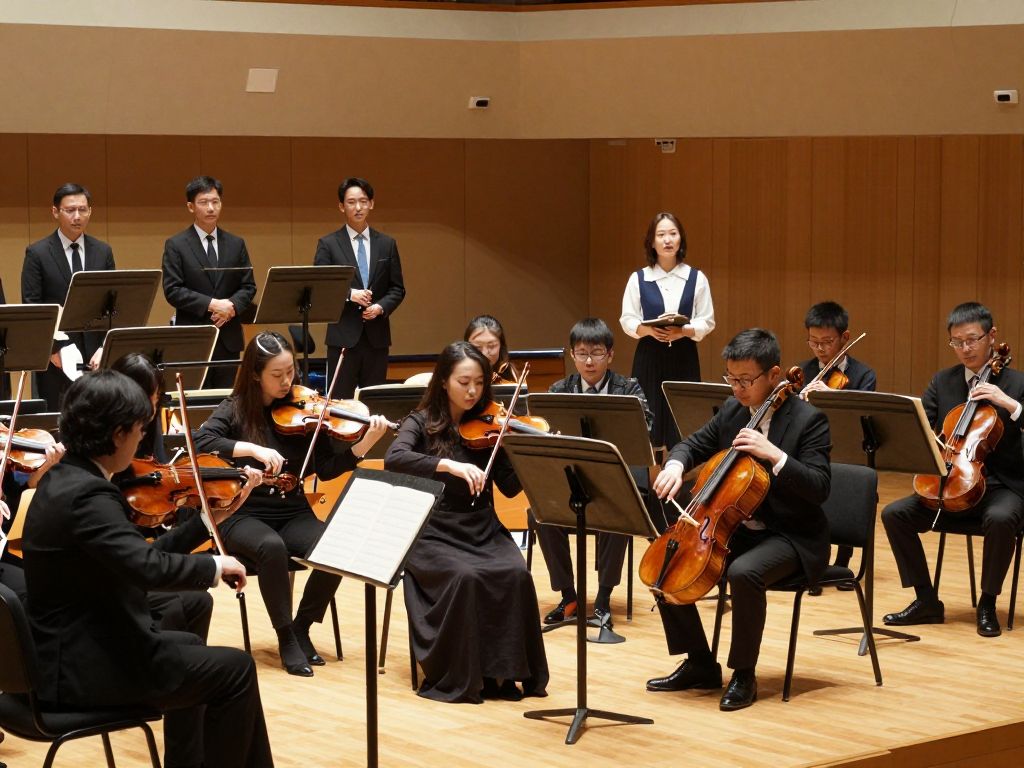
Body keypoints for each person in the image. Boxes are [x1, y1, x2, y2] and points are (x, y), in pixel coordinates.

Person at [22, 369, 274, 767]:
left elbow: (137, 554)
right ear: (118, 433)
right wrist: (212, 565)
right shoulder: (89, 495)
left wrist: (210, 522)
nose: (143, 438)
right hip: (86, 669)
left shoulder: (65, 480)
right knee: (236, 670)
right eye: (140, 429)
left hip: (73, 650)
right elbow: (145, 566)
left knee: (193, 649)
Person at [646, 329, 830, 711]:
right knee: (668, 558)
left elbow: (819, 486)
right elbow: (693, 443)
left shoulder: (809, 421)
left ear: (774, 374)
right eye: (731, 378)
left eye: (745, 380)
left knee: (743, 573)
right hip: (737, 529)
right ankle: (699, 661)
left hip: (792, 536)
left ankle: (744, 673)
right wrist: (676, 464)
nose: (737, 389)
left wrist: (775, 455)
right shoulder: (732, 411)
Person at [195, 331, 388, 675]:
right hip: (242, 512)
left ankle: (302, 626)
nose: (287, 382)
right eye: (277, 375)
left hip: (292, 509)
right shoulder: (237, 408)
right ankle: (285, 637)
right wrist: (251, 449)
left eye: (291, 373)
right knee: (272, 547)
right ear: (255, 374)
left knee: (338, 544)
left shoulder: (305, 409)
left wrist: (365, 444)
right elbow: (202, 438)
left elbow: (327, 469)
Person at [384, 341, 549, 703]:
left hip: (482, 528)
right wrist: (448, 464)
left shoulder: (490, 426)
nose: (473, 391)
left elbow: (507, 487)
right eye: (464, 382)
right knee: (466, 577)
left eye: (479, 383)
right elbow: (395, 459)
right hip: (432, 532)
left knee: (516, 574)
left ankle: (502, 674)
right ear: (444, 381)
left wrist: (520, 452)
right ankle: (464, 672)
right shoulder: (420, 422)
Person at [882, 302, 1024, 638]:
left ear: (991, 337)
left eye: (972, 340)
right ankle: (926, 599)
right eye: (957, 342)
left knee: (1002, 519)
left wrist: (1009, 404)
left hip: (1002, 486)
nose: (965, 349)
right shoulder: (942, 382)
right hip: (951, 480)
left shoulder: (1016, 384)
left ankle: (987, 603)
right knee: (894, 514)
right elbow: (925, 429)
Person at [537, 317, 654, 629]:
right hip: (572, 484)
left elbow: (646, 430)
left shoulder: (629, 388)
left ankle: (602, 599)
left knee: (619, 513)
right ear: (572, 355)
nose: (589, 361)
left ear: (610, 355)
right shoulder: (558, 390)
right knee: (538, 513)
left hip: (612, 484)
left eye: (597, 353)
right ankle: (569, 596)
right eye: (582, 353)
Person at [110, 351, 223, 640]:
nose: (151, 407)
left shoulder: (147, 423)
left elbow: (159, 474)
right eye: (146, 397)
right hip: (119, 569)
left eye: (156, 397)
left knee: (198, 599)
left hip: (147, 543)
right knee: (177, 605)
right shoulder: (107, 466)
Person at [620, 212, 715, 451]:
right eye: (660, 235)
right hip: (649, 356)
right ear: (652, 242)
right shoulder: (639, 277)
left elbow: (707, 320)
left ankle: (679, 477)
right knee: (648, 421)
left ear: (681, 239)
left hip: (684, 355)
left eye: (673, 234)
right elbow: (627, 318)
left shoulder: (696, 277)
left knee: (682, 420)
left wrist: (683, 331)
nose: (667, 240)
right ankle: (650, 483)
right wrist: (649, 330)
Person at [22, 183, 116, 410]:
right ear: (55, 212)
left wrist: (106, 346)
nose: (77, 216)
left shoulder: (103, 251)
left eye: (83, 210)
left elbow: (113, 303)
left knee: (98, 419)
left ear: (90, 211)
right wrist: (53, 349)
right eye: (70, 210)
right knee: (58, 420)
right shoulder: (37, 253)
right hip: (57, 356)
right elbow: (32, 306)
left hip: (96, 354)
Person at [162, 176, 258, 390]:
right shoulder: (176, 245)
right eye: (204, 202)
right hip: (194, 338)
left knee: (226, 400)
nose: (211, 207)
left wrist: (231, 307)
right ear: (190, 206)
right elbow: (172, 290)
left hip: (229, 336)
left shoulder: (236, 243)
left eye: (215, 201)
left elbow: (249, 286)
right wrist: (213, 304)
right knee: (196, 400)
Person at [314, 177, 406, 399]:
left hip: (377, 338)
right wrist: (349, 295)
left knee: (374, 402)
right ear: (341, 206)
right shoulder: (328, 244)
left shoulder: (387, 243)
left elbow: (397, 288)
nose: (358, 207)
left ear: (371, 204)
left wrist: (381, 307)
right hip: (343, 336)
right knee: (339, 404)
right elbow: (321, 285)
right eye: (351, 202)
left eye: (363, 201)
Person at [799, 300, 876, 397]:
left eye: (827, 342)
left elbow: (861, 411)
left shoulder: (864, 376)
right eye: (814, 342)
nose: (820, 348)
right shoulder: (800, 373)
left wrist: (832, 397)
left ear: (845, 337)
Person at [465, 315, 517, 383]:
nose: (484, 353)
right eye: (477, 347)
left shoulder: (512, 375)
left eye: (491, 346)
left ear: (501, 346)